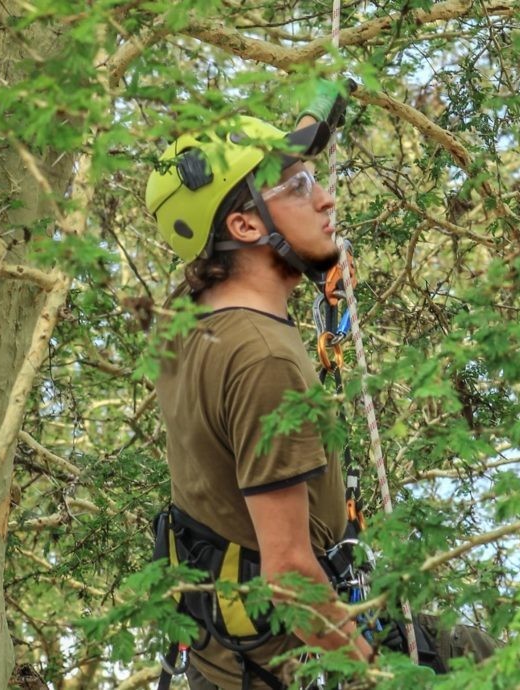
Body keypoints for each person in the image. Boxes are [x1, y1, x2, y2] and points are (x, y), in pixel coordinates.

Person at [144, 86, 497, 690]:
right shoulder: (260, 359)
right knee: (493, 670)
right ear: (245, 222)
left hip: (227, 651)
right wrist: (375, 673)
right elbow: (289, 579)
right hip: (283, 655)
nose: (327, 198)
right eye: (302, 187)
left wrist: (319, 109)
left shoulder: (195, 327)